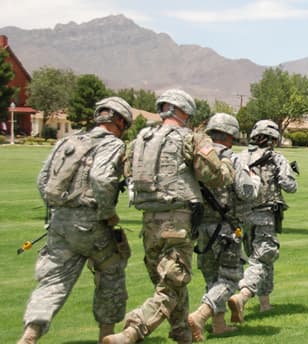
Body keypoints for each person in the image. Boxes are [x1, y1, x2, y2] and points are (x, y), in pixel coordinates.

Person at [103, 89, 234, 344]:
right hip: (177, 220)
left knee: (170, 281)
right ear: (183, 111)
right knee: (172, 285)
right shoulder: (191, 139)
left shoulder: (141, 139)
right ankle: (133, 330)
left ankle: (181, 334)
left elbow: (128, 171)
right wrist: (228, 165)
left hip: (149, 221)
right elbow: (216, 175)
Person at [18, 97, 133, 344]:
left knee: (53, 281)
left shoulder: (68, 141)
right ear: (120, 121)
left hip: (59, 223)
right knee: (111, 273)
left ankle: (30, 334)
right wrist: (107, 213)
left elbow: (43, 179)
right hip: (91, 223)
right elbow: (101, 179)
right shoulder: (112, 145)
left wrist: (58, 210)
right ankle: (107, 335)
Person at [187, 113, 261, 341]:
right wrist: (255, 179)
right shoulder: (235, 160)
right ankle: (200, 315)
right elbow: (248, 193)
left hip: (202, 229)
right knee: (230, 278)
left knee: (212, 278)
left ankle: (219, 327)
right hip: (228, 229)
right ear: (231, 135)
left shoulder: (196, 160)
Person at [228, 119, 297, 322]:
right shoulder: (276, 159)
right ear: (273, 139)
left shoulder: (238, 157)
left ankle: (265, 303)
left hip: (240, 218)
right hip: (265, 216)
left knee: (256, 258)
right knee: (262, 260)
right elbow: (290, 186)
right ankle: (243, 295)